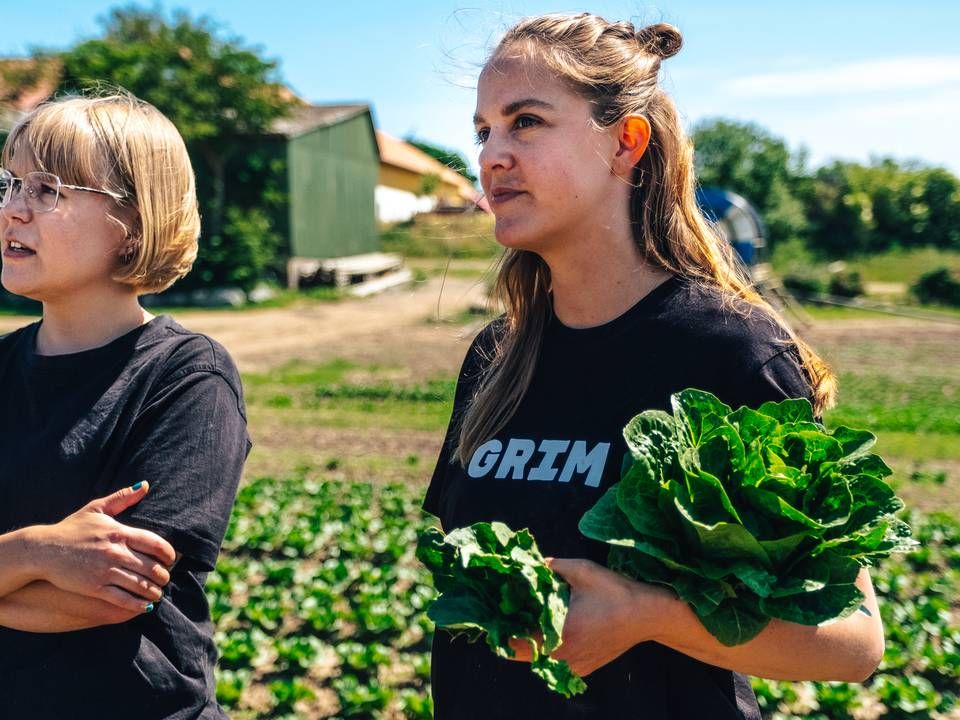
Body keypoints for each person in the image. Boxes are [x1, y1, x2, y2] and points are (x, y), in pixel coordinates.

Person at [423, 14, 885, 719]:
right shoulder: (497, 356)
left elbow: (852, 643)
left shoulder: (730, 351)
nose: (491, 156)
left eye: (526, 123)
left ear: (625, 143)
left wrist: (648, 615)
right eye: (483, 130)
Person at [0, 93, 250, 719]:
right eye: (9, 183)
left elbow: (118, 593)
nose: (13, 209)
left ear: (135, 221)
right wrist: (39, 553)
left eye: (48, 187)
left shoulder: (186, 376)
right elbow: (65, 576)